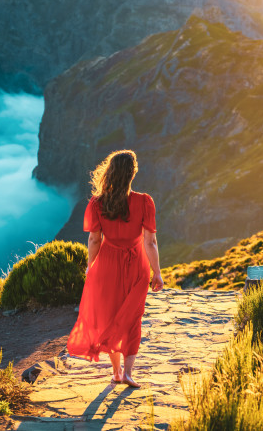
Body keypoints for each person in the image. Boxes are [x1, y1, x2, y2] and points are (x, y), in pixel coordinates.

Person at [66, 149, 164, 388]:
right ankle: (128, 373)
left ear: (109, 172)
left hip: (107, 264)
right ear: (132, 174)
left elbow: (94, 240)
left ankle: (117, 372)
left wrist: (91, 266)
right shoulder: (144, 202)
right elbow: (150, 242)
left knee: (111, 316)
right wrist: (157, 272)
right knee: (133, 318)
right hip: (136, 264)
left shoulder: (97, 203)